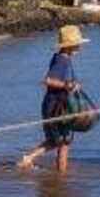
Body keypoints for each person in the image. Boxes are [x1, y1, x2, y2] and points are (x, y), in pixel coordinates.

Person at [17, 23, 84, 173]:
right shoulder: (62, 60)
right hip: (56, 107)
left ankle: (29, 159)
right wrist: (69, 86)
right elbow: (48, 80)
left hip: (54, 105)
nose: (80, 46)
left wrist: (72, 85)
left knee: (57, 141)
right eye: (77, 44)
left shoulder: (61, 58)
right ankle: (61, 178)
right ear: (69, 46)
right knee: (64, 143)